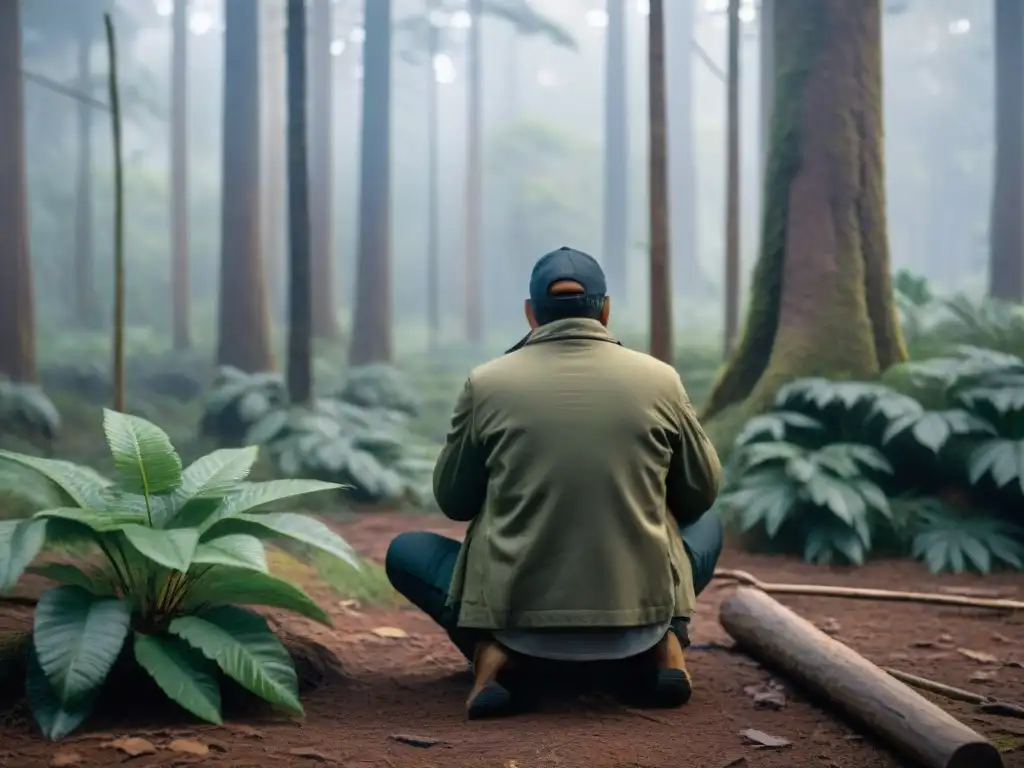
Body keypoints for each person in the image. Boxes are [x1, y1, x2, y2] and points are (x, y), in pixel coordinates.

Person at [385, 246, 723, 720]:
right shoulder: (660, 380)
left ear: (531, 315)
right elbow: (701, 492)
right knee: (709, 525)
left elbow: (455, 501)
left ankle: (492, 653)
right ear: (605, 312)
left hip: (514, 620)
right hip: (638, 614)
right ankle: (664, 642)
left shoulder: (487, 383)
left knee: (407, 552)